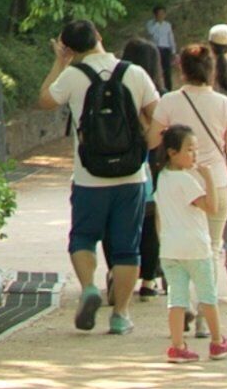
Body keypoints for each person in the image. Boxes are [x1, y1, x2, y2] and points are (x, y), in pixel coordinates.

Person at [48, 17, 162, 334]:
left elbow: (44, 99)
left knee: (83, 237)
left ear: (69, 49)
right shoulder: (134, 72)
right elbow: (160, 116)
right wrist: (144, 145)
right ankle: (121, 315)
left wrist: (60, 62)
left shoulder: (72, 76)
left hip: (89, 176)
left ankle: (88, 287)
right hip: (131, 176)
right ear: (98, 35)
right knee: (127, 248)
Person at [161, 41, 227, 301]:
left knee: (177, 245)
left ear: (182, 70)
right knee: (212, 248)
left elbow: (152, 140)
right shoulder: (223, 104)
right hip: (216, 181)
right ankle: (205, 309)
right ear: (211, 70)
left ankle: (181, 303)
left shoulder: (168, 101)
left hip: (178, 182)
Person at [149, 125, 227, 362]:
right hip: (195, 247)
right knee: (207, 295)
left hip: (170, 248)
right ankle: (217, 341)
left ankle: (177, 345)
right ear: (172, 152)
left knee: (177, 298)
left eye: (195, 149)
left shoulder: (162, 178)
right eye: (189, 150)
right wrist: (208, 178)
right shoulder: (185, 180)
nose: (194, 155)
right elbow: (211, 207)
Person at [121, 36, 171, 291]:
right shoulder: (161, 97)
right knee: (152, 221)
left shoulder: (117, 92)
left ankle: (119, 273)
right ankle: (149, 279)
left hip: (120, 162)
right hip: (154, 164)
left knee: (122, 221)